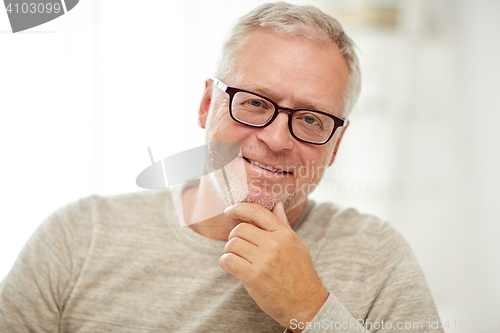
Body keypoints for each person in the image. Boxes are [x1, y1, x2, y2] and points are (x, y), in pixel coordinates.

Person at [0, 2, 443, 332]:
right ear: (207, 105)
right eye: (253, 103)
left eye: (310, 119)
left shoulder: (377, 257)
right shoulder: (77, 237)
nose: (275, 139)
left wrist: (309, 310)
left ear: (336, 143)